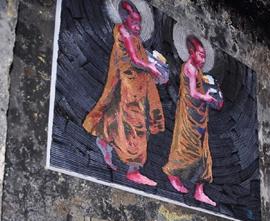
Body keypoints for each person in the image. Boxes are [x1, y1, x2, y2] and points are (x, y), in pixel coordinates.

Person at [83, 0, 164, 186]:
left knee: (117, 114)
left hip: (136, 83)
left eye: (139, 23)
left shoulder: (133, 36)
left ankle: (105, 140)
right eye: (134, 22)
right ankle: (133, 169)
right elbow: (135, 59)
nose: (137, 26)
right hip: (129, 84)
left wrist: (154, 67)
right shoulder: (124, 32)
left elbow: (139, 56)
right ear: (125, 20)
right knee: (137, 124)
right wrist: (152, 67)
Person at [163, 35, 222, 206]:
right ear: (191, 53)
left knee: (204, 153)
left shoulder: (199, 70)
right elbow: (194, 93)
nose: (203, 59)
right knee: (187, 149)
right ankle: (172, 173)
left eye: (205, 56)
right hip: (189, 115)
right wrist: (208, 98)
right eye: (201, 55)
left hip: (200, 116)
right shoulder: (190, 68)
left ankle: (199, 191)